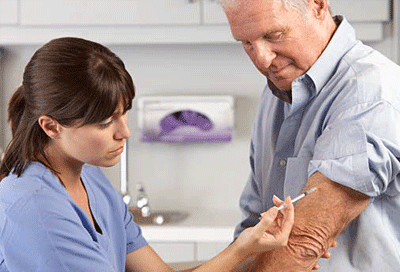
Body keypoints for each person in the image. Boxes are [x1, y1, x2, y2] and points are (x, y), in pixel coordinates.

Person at [0, 37, 295, 272]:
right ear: (51, 126)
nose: (124, 132)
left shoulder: (92, 180)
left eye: (123, 114)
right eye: (105, 123)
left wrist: (245, 247)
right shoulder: (36, 210)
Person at [222, 0, 400, 271]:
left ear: (317, 5)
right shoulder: (277, 92)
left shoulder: (369, 91)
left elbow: (304, 241)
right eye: (246, 43)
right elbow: (254, 230)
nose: (261, 59)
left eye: (274, 35)